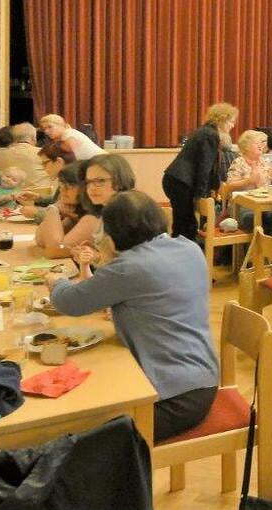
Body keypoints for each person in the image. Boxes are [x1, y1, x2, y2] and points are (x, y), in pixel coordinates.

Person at [46, 190, 218, 443]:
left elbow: (68, 302)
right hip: (202, 379)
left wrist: (56, 280)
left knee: (75, 431)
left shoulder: (129, 267)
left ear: (113, 235)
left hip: (173, 398)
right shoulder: (189, 248)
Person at [162, 103, 237, 242]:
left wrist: (210, 188)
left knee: (183, 224)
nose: (233, 125)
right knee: (186, 226)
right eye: (231, 121)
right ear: (222, 119)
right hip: (181, 182)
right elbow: (204, 166)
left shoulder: (205, 131)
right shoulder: (210, 134)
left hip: (176, 179)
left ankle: (179, 250)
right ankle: (184, 252)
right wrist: (201, 195)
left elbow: (207, 166)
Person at [35, 162, 100, 255]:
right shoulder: (74, 212)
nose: (63, 189)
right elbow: (40, 239)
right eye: (62, 184)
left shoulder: (93, 217)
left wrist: (53, 209)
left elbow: (54, 250)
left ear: (86, 188)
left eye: (70, 186)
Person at [17, 140, 76, 221]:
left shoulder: (74, 182)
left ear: (59, 162)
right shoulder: (65, 179)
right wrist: (38, 198)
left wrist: (37, 213)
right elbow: (57, 202)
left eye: (45, 163)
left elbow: (64, 217)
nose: (43, 168)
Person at [0, 123, 50, 192]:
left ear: (14, 139)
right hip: (37, 195)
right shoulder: (45, 154)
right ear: (34, 139)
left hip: (3, 195)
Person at [38, 114, 104, 160]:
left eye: (50, 127)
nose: (46, 131)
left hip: (101, 163)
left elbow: (71, 158)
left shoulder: (69, 135)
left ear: (61, 125)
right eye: (44, 129)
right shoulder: (67, 134)